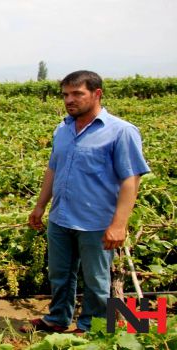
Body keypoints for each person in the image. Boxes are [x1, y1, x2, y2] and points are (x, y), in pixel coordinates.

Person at [22, 70, 150, 333]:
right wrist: (40, 206)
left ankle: (92, 326)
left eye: (77, 94)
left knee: (96, 280)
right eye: (66, 94)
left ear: (97, 94)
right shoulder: (63, 128)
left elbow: (130, 180)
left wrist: (119, 224)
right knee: (59, 275)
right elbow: (53, 169)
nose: (69, 100)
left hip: (97, 222)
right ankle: (57, 319)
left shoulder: (121, 131)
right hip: (61, 218)